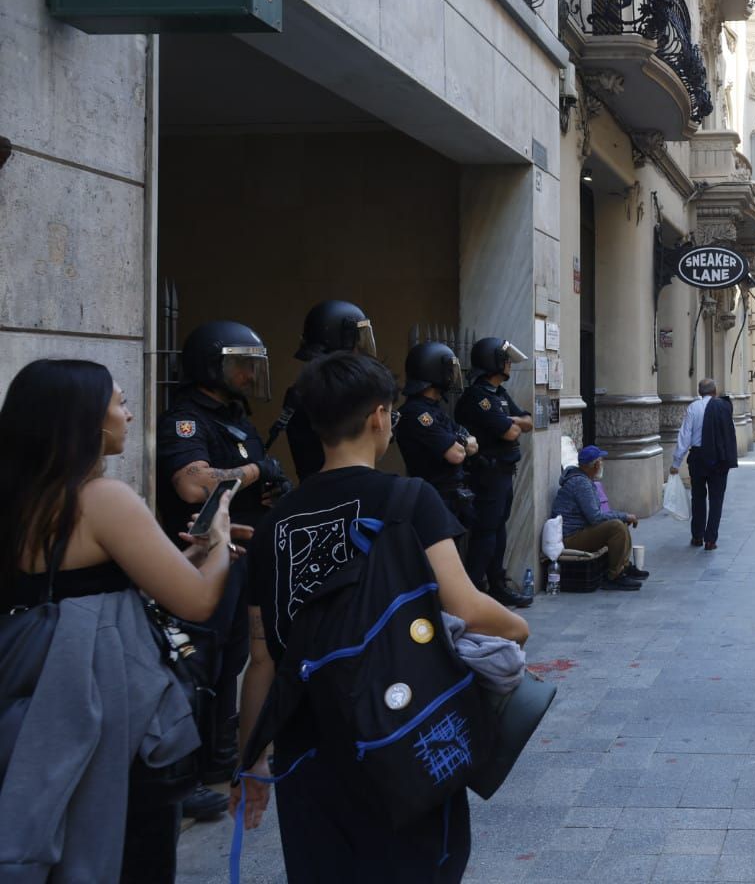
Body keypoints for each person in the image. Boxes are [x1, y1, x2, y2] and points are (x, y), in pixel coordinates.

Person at [234, 352, 528, 880]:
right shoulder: (408, 498)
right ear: (378, 417)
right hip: (401, 733)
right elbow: (465, 605)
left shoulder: (275, 521)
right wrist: (516, 628)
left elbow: (261, 661)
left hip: (308, 751)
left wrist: (251, 760)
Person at [0, 359, 239, 884]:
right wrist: (219, 540)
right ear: (85, 421)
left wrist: (192, 558)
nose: (129, 415)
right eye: (120, 403)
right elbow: (197, 602)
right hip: (109, 716)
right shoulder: (103, 499)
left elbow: (85, 585)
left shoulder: (21, 500)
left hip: (34, 710)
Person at [155, 319, 286, 822]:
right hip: (205, 558)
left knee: (230, 661)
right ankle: (183, 776)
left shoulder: (236, 418)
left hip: (241, 556)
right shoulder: (187, 420)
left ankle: (217, 758)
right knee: (200, 664)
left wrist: (268, 488)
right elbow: (195, 485)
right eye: (239, 366)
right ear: (211, 365)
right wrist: (256, 471)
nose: (249, 376)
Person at [394, 342, 492, 585]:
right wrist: (462, 442)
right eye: (448, 370)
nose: (452, 376)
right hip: (436, 496)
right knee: (440, 569)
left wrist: (461, 442)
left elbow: (471, 443)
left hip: (452, 497)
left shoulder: (435, 410)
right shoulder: (417, 413)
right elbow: (457, 453)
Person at [454, 337, 533, 607]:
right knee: (486, 532)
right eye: (505, 359)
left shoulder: (498, 394)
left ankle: (497, 585)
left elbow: (528, 421)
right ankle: (474, 591)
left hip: (503, 472)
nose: (510, 364)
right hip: (486, 474)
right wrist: (512, 423)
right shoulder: (479, 397)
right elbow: (512, 430)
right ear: (493, 362)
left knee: (498, 531)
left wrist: (511, 421)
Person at [265, 300, 377, 481]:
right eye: (356, 339)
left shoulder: (308, 387)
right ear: (343, 340)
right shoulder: (321, 392)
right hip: (333, 487)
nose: (358, 348)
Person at [553, 446, 647, 588]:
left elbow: (597, 514)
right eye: (600, 461)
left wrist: (623, 517)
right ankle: (613, 576)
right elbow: (595, 518)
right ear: (595, 465)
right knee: (616, 526)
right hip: (571, 537)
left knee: (619, 523)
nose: (602, 465)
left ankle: (624, 566)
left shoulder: (584, 480)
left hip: (579, 532)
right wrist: (624, 516)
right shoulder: (581, 483)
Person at [672, 378, 738, 550]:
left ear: (700, 392)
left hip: (698, 458)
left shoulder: (694, 407)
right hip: (718, 459)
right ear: (715, 391)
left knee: (698, 497)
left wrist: (676, 462)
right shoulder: (724, 407)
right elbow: (729, 433)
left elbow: (685, 436)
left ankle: (697, 536)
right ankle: (711, 540)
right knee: (716, 499)